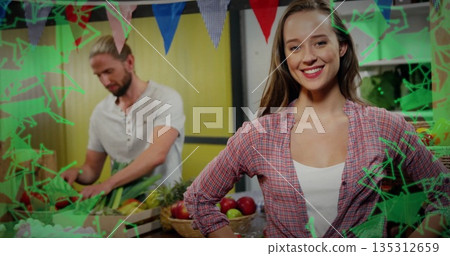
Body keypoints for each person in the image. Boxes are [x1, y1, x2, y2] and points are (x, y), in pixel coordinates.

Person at [184, 0, 448, 238]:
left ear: (342, 46)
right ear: (286, 58)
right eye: (295, 47)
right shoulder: (259, 133)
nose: (308, 56)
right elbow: (199, 198)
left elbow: (444, 192)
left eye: (320, 42)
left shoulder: (384, 126)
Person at [61, 35, 185, 199]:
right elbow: (91, 169)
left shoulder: (166, 99)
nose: (105, 81)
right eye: (98, 75)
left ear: (129, 63)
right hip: (121, 209)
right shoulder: (100, 113)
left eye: (108, 71)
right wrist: (77, 172)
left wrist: (108, 183)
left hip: (164, 207)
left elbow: (156, 155)